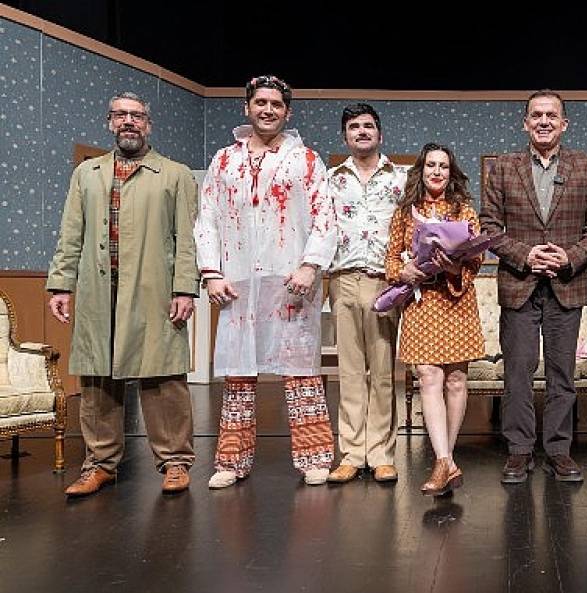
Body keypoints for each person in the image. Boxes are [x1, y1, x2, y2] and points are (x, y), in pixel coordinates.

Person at [47, 91, 198, 497]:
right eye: (120, 115)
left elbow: (187, 239)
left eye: (137, 115)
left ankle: (175, 462)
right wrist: (61, 283)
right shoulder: (88, 173)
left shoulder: (174, 174)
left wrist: (185, 288)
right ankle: (99, 463)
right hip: (98, 288)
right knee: (97, 376)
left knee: (163, 375)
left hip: (153, 288)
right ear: (110, 122)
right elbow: (70, 233)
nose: (128, 121)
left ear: (148, 124)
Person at [195, 75, 337, 488]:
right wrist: (211, 272)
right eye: (261, 102)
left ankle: (314, 458)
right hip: (239, 281)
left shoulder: (305, 159)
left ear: (287, 112)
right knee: (239, 372)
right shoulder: (225, 160)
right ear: (247, 107)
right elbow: (207, 219)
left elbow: (325, 216)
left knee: (301, 370)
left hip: (291, 279)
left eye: (276, 104)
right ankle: (231, 461)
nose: (268, 110)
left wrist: (310, 266)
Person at [479, 90, 587, 483]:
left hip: (566, 284)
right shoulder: (504, 167)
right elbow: (489, 228)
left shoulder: (585, 165)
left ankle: (558, 450)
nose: (544, 121)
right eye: (536, 115)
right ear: (525, 123)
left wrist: (568, 257)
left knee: (561, 374)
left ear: (564, 123)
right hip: (519, 284)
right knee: (517, 373)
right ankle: (519, 451)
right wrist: (526, 255)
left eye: (552, 115)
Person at [384, 143, 485, 496]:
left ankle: (446, 461)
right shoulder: (404, 213)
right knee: (429, 376)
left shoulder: (465, 211)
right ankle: (444, 460)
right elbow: (390, 261)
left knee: (455, 380)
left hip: (456, 302)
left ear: (451, 172)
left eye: (443, 166)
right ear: (421, 170)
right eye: (431, 165)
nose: (437, 171)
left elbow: (476, 260)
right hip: (422, 301)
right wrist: (405, 271)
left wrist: (454, 266)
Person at [325, 103, 408, 484]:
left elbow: (414, 229)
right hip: (342, 278)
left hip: (383, 282)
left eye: (368, 126)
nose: (362, 131)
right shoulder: (331, 179)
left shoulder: (401, 178)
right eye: (354, 127)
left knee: (383, 372)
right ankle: (352, 453)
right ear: (345, 136)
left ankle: (381, 454)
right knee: (350, 371)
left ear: (380, 134)